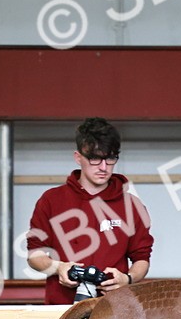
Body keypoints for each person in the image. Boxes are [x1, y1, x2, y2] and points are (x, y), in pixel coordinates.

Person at [26, 117, 155, 305]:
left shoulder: (132, 206)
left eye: (110, 158)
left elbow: (142, 259)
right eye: (95, 158)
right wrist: (58, 268)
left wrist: (127, 279)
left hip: (114, 312)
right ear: (78, 157)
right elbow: (34, 255)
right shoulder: (51, 200)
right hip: (61, 309)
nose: (103, 167)